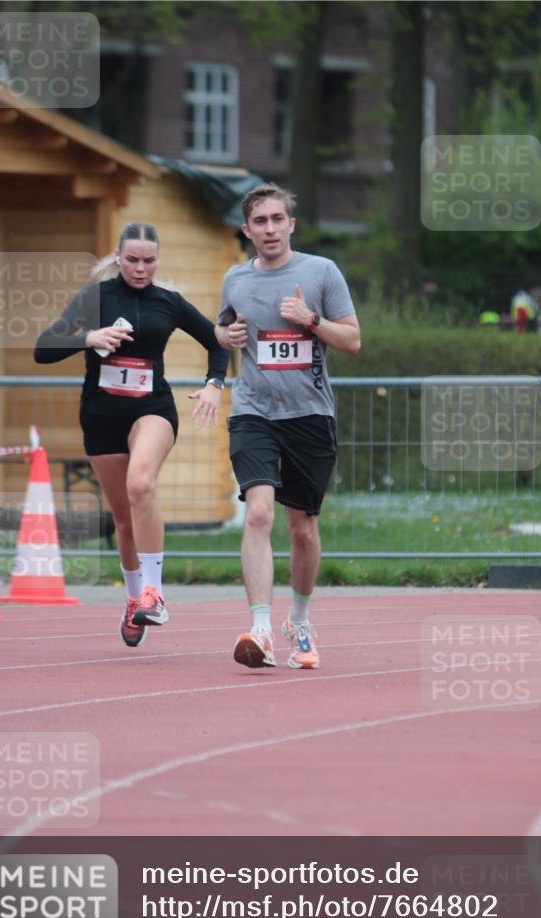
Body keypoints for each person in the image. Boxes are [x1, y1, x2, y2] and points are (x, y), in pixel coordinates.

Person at [34, 221, 228, 647]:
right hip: (102, 416)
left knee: (141, 483)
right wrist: (89, 337)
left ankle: (154, 593)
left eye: (149, 261)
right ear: (118, 258)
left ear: (158, 260)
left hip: (152, 409)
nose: (141, 269)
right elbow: (42, 348)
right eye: (133, 260)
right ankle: (132, 599)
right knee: (123, 520)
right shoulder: (95, 298)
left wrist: (215, 383)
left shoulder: (169, 303)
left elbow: (217, 342)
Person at [215, 184, 360, 670]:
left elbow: (354, 340)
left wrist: (310, 318)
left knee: (302, 528)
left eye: (278, 219)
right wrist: (226, 336)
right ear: (247, 230)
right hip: (253, 411)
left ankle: (298, 620)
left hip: (310, 415)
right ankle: (259, 627)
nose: (270, 229)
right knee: (258, 514)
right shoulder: (234, 279)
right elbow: (222, 333)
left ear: (291, 225)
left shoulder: (321, 272)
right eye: (261, 222)